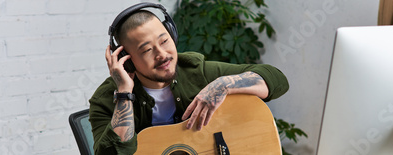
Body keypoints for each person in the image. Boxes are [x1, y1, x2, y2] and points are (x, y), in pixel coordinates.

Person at [89, 3, 289, 155]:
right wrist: (124, 93)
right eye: (147, 50)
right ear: (127, 61)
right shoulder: (106, 99)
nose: (162, 54)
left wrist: (223, 84)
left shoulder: (194, 70)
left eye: (164, 41)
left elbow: (276, 80)